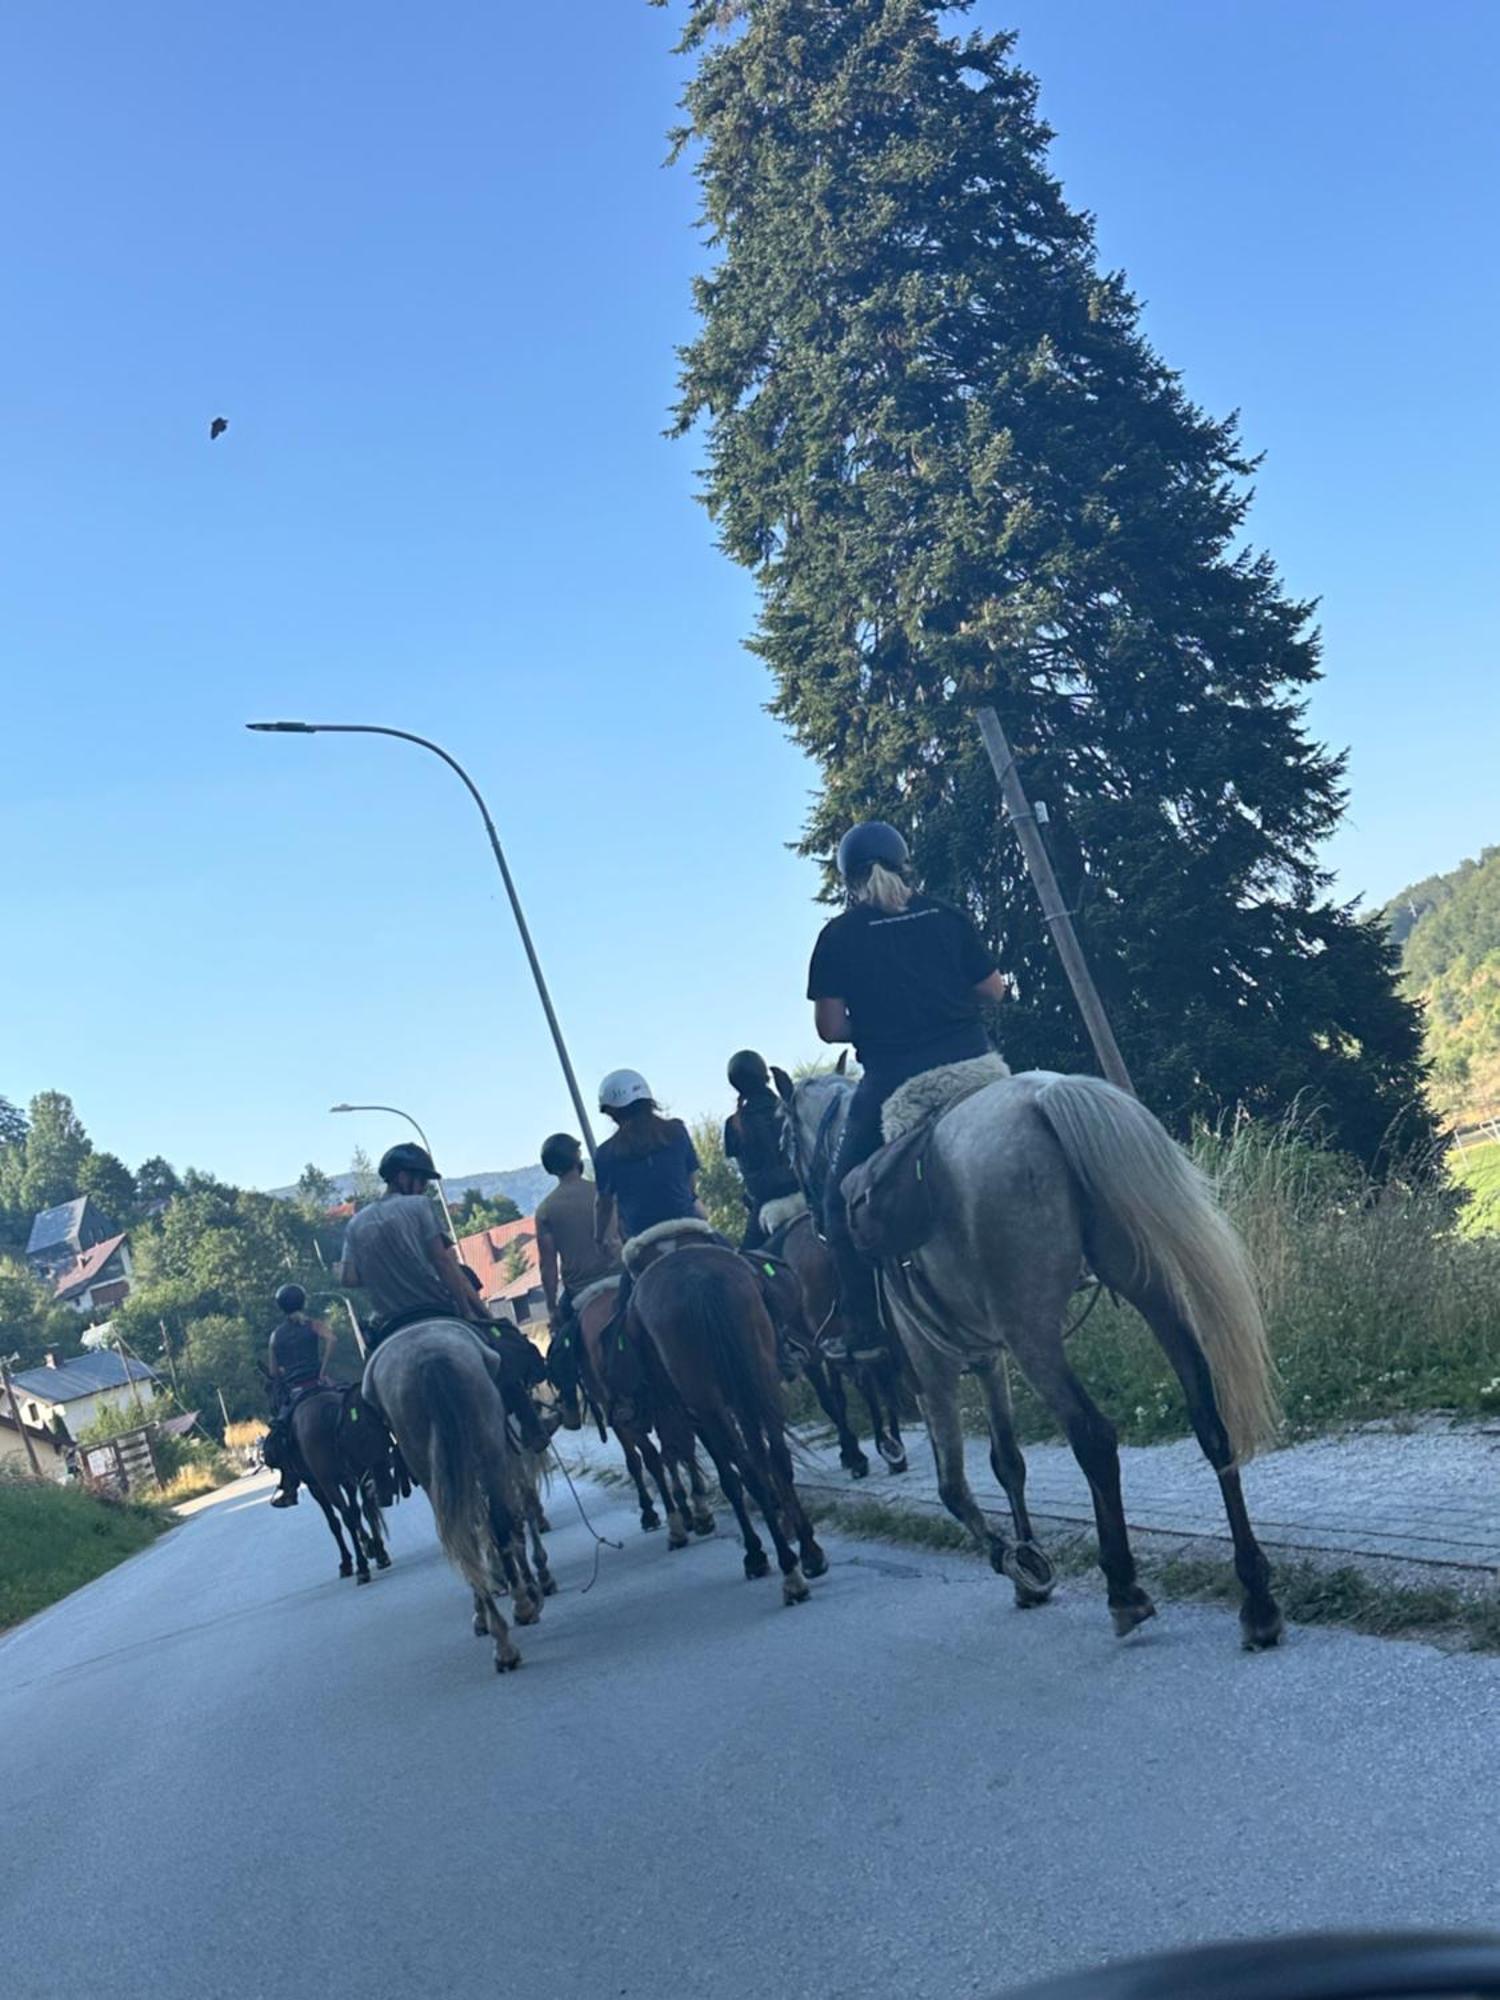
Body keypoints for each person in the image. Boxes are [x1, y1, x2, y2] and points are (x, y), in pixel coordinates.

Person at [808, 821, 1010, 1362]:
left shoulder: (838, 936)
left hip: (897, 1081)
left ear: (849, 880)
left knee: (836, 1202)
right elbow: (994, 990)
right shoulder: (946, 914)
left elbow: (829, 1029)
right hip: (977, 1066)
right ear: (904, 864)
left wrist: (876, 1019)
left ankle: (867, 1330)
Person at [337, 1142, 547, 1452]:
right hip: (436, 1309)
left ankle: (394, 1457)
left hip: (390, 1324)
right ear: (402, 1177)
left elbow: (349, 1278)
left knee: (372, 1398)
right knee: (502, 1354)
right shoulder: (418, 1207)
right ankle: (532, 1426)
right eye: (421, 1180)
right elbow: (445, 1262)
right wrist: (468, 1312)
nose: (424, 1188)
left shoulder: (355, 1224)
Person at [535, 1132, 620, 1415]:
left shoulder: (546, 1209)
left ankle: (569, 1403)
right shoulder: (603, 1189)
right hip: (624, 1277)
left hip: (581, 1290)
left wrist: (551, 1309)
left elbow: (548, 1265)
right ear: (576, 1158)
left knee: (561, 1347)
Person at [264, 1283, 335, 1509]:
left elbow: (274, 1373)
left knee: (280, 1436)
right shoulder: (312, 1324)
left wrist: (286, 1370)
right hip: (319, 1383)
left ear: (281, 1307)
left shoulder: (276, 1336)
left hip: (296, 1392)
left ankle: (289, 1486)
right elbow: (332, 1339)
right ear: (303, 1301)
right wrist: (323, 1371)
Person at [723, 1050, 801, 1250]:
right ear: (764, 1075)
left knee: (749, 1263)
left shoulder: (734, 1124)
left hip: (766, 1203)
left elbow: (746, 1173)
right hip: (805, 1194)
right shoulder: (791, 1106)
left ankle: (769, 1271)